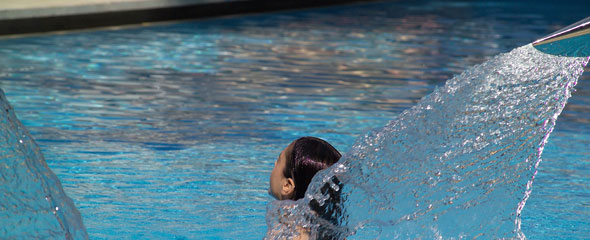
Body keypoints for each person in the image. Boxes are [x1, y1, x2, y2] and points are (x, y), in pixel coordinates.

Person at [268, 136, 343, 240]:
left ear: (287, 186)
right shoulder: (334, 233)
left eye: (278, 160)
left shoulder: (285, 231)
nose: (275, 163)